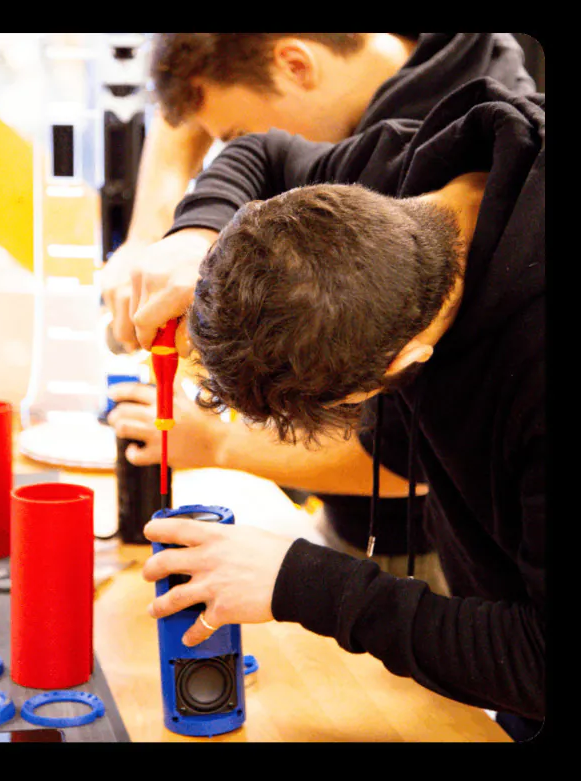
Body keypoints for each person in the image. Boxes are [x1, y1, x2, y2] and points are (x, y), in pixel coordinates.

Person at [137, 77, 545, 741]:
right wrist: (194, 232)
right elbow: (261, 153)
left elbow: (537, 658)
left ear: (400, 363)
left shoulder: (532, 372)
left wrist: (298, 581)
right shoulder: (389, 181)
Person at [106, 33, 537, 594]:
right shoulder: (403, 160)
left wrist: (222, 446)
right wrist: (190, 234)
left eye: (228, 131)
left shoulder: (518, 359)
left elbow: (404, 461)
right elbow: (261, 150)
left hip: (443, 578)